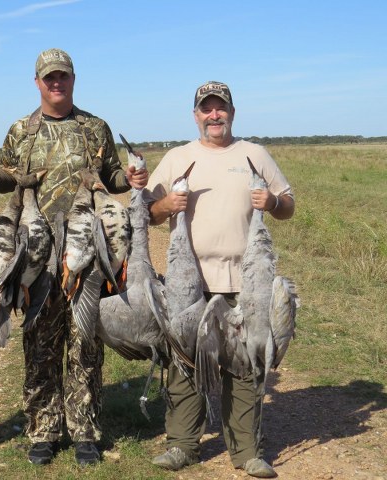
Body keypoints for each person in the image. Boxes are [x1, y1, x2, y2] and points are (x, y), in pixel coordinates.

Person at [0, 48, 148, 466]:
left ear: (73, 79)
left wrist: (132, 176)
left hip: (88, 252)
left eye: (63, 76)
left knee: (86, 341)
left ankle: (85, 431)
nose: (56, 83)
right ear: (37, 82)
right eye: (49, 77)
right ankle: (43, 430)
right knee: (40, 343)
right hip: (36, 254)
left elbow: (112, 178)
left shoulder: (94, 127)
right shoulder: (21, 130)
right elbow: (9, 178)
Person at [145, 81, 295, 478]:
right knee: (185, 361)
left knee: (243, 364)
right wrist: (165, 204)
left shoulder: (254, 154)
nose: (214, 115)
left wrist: (273, 202)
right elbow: (146, 211)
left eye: (220, 107)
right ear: (195, 115)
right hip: (188, 282)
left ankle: (246, 452)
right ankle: (182, 445)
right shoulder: (178, 157)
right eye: (206, 108)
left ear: (232, 111)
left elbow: (288, 206)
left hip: (244, 281)